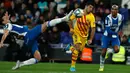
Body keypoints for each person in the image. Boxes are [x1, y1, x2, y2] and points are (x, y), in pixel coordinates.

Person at [0, 10, 73, 70]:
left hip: (28, 40)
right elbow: (5, 33)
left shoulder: (9, 25)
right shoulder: (8, 25)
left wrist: (7, 19)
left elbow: (7, 31)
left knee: (38, 58)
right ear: (3, 22)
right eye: (5, 18)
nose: (7, 17)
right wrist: (1, 42)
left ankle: (20, 64)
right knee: (46, 24)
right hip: (28, 35)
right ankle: (64, 18)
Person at [64, 3, 96, 72]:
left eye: (92, 8)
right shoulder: (78, 11)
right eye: (90, 7)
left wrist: (90, 39)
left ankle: (69, 47)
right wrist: (71, 28)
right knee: (77, 48)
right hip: (76, 33)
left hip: (84, 36)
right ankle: (72, 67)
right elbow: (69, 19)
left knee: (79, 53)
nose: (91, 9)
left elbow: (93, 28)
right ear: (86, 6)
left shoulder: (91, 17)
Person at [99, 5, 124, 71]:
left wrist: (121, 32)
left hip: (115, 36)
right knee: (103, 52)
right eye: (112, 9)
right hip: (107, 36)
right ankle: (101, 65)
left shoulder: (121, 17)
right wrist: (116, 33)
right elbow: (108, 30)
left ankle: (109, 51)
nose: (113, 10)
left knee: (117, 50)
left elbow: (121, 25)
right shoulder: (108, 18)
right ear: (111, 10)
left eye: (115, 9)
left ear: (117, 11)